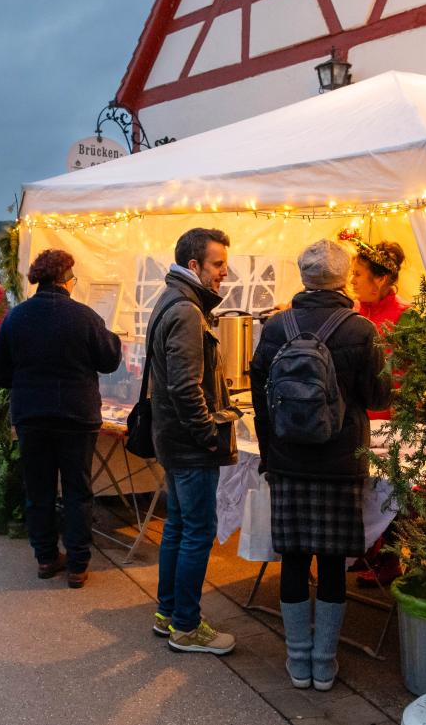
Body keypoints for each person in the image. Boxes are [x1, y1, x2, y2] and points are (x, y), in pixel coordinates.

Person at [250, 239, 391, 692]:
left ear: (303, 276)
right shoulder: (360, 329)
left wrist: (269, 455)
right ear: (344, 276)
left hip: (289, 461)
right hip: (341, 460)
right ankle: (324, 664)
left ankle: (297, 661)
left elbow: (260, 399)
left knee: (292, 559)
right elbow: (377, 397)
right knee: (332, 562)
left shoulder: (276, 327)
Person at [0, 249, 122, 587]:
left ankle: (46, 558)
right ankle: (78, 564)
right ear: (67, 280)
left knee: (39, 489)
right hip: (77, 416)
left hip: (32, 415)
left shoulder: (17, 317)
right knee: (78, 490)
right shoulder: (85, 316)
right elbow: (109, 361)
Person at [147, 227, 241, 656]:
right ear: (193, 266)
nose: (225, 272)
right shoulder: (186, 310)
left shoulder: (173, 300)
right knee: (196, 531)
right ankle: (186, 625)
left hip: (174, 439)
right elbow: (186, 387)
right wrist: (208, 435)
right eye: (218, 264)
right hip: (188, 443)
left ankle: (169, 614)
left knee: (180, 528)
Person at [346, 235, 410, 587]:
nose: (352, 280)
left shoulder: (405, 316)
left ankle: (390, 559)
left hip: (390, 423)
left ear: (381, 279)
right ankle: (366, 551)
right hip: (357, 420)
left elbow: (412, 375)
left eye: (359, 274)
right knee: (360, 490)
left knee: (389, 491)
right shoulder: (355, 311)